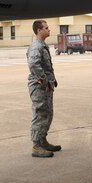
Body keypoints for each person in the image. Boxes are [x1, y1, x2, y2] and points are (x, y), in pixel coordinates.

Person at [27, 20, 60, 158]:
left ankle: (42, 141)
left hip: (45, 86)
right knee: (40, 114)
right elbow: (33, 64)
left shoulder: (42, 45)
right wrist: (44, 81)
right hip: (39, 87)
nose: (49, 30)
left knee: (47, 114)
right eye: (46, 28)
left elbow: (46, 66)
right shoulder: (36, 46)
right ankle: (36, 146)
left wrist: (52, 81)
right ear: (39, 30)